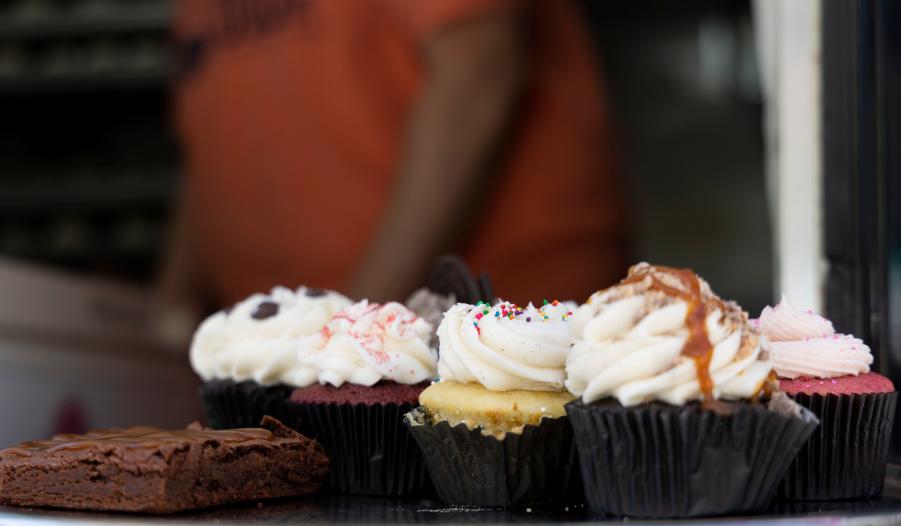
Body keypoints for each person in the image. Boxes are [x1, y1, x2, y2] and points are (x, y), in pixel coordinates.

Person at [160, 0, 624, 310]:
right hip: (287, 357)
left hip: (487, 344)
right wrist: (172, 309)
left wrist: (351, 337)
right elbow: (213, 138)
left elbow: (477, 71)